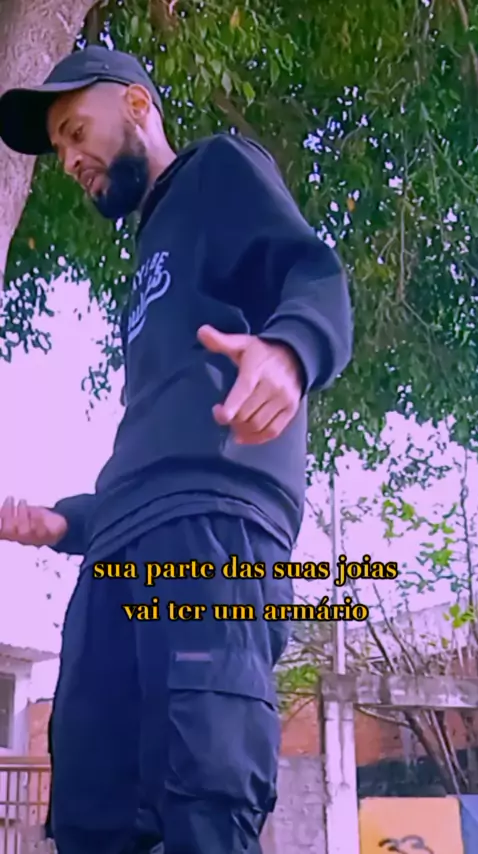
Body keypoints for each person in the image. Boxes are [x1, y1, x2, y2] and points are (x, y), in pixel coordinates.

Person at [0, 45, 352, 854]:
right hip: (115, 555)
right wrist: (67, 522)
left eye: (74, 130)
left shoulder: (218, 171)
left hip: (211, 535)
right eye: (58, 148)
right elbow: (158, 444)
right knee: (91, 811)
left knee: (206, 800)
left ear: (136, 105)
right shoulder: (149, 252)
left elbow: (313, 274)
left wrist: (289, 351)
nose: (69, 159)